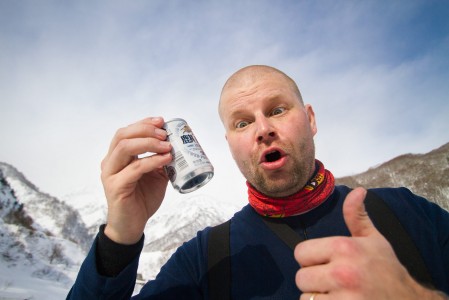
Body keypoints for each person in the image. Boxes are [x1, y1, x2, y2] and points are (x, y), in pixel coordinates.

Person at [67, 65, 449, 299]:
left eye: (277, 110)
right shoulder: (206, 259)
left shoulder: (407, 212)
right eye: (242, 122)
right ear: (230, 144)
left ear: (310, 119)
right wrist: (121, 234)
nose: (263, 129)